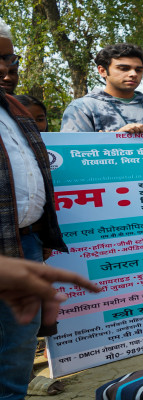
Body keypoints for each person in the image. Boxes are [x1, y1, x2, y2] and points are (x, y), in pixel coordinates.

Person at [0, 19, 75, 397]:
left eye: (7, 58)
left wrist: (41, 233)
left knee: (16, 347)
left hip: (25, 243)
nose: (3, 69)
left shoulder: (13, 107)